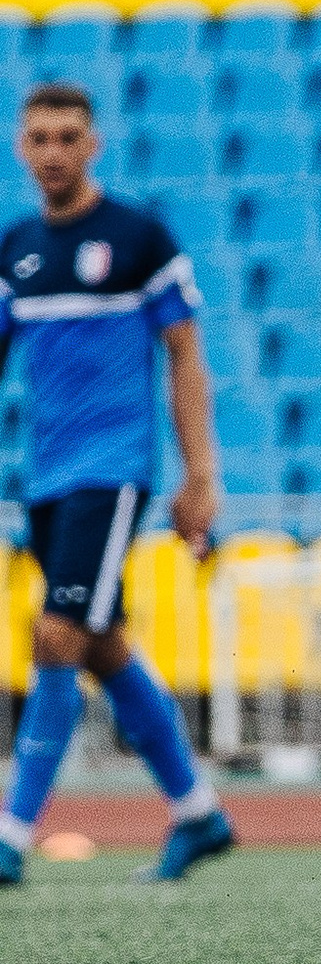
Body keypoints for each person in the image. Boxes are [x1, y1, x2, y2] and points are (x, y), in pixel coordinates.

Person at [0, 83, 230, 886]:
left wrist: (200, 473)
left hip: (114, 470)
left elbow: (185, 356)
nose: (54, 151)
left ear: (94, 144)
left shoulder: (138, 239)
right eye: (40, 138)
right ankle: (198, 812)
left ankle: (9, 833)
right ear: (21, 148)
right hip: (49, 478)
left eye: (69, 136)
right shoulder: (17, 250)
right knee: (100, 645)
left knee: (54, 633)